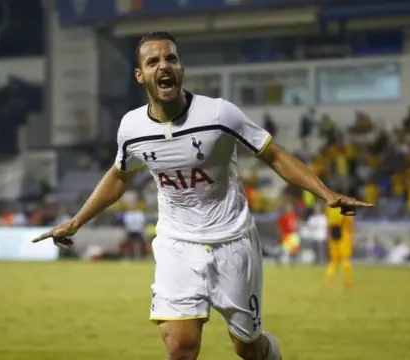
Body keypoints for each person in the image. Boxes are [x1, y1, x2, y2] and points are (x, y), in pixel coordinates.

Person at [32, 31, 372, 360]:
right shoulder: (132, 128)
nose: (163, 65)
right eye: (153, 61)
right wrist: (76, 222)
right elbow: (119, 176)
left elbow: (274, 155)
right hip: (176, 244)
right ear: (140, 75)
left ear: (181, 68)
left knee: (248, 348)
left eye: (171, 58)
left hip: (233, 243)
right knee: (180, 347)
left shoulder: (219, 115)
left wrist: (324, 192)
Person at [324, 197, 355, 288]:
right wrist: (352, 238)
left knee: (334, 260)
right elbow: (350, 225)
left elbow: (328, 224)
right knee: (345, 259)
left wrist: (328, 237)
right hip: (344, 237)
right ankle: (348, 282)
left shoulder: (329, 208)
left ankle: (329, 278)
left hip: (333, 236)